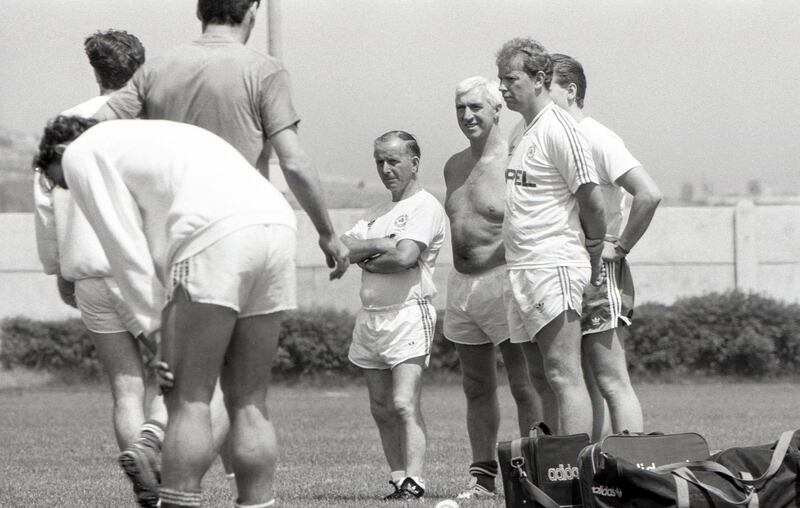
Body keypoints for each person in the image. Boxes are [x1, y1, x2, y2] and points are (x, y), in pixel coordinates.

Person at [34, 116, 301, 508]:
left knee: (188, 399)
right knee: (248, 401)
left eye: (60, 181)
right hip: (276, 221)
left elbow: (125, 249)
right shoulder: (148, 137)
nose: (67, 188)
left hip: (215, 232)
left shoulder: (80, 153)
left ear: (58, 153)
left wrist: (158, 331)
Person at [94, 0, 347, 280]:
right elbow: (293, 162)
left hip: (175, 236)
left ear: (199, 12)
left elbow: (96, 131)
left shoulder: (155, 70)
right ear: (252, 11)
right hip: (242, 229)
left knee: (185, 322)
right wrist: (327, 233)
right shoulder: (264, 71)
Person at [32, 30, 167, 508]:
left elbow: (46, 207)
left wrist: (59, 271)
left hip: (86, 274)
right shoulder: (148, 122)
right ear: (142, 68)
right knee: (177, 375)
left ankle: (143, 479)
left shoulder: (64, 125)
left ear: (95, 70)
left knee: (125, 387)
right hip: (141, 272)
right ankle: (154, 449)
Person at [495, 37, 607, 436]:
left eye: (511, 79)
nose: (503, 88)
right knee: (537, 380)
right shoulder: (522, 130)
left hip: (554, 264)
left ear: (540, 78)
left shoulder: (560, 128)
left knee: (563, 376)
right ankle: (551, 475)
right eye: (500, 80)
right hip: (521, 269)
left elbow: (592, 202)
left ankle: (576, 475)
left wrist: (593, 253)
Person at [550, 53, 662, 439]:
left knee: (611, 378)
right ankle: (591, 472)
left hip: (599, 272)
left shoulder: (598, 137)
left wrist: (621, 247)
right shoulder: (551, 139)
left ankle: (634, 471)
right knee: (578, 381)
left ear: (571, 90)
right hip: (564, 270)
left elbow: (648, 194)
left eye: (545, 86)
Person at [442, 76, 538, 500]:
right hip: (461, 287)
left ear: (497, 109)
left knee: (524, 383)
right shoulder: (453, 165)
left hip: (504, 283)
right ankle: (482, 478)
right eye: (461, 108)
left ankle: (537, 470)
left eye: (476, 108)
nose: (467, 116)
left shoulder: (514, 159)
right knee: (475, 386)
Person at [341, 131, 447, 501]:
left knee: (404, 403)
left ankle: (416, 481)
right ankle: (399, 478)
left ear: (414, 163)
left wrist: (365, 258)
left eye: (393, 161)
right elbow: (342, 249)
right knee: (381, 407)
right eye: (380, 162)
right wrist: (381, 244)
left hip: (408, 314)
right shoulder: (375, 214)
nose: (386, 169)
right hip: (370, 317)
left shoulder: (426, 207)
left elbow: (405, 258)